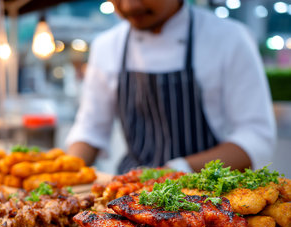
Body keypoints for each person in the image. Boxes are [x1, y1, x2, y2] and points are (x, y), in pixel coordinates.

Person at [66, 0, 276, 173]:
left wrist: (177, 170)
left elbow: (256, 136)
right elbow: (90, 130)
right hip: (129, 191)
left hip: (208, 197)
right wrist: (62, 175)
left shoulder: (229, 39)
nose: (129, 6)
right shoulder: (107, 46)